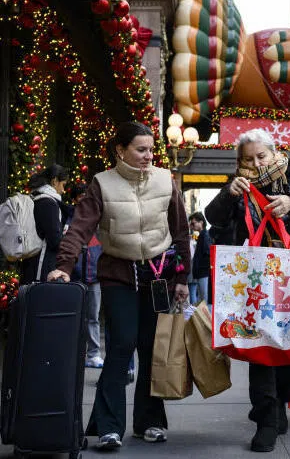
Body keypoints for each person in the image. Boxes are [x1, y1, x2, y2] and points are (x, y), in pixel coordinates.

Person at [48, 121, 191, 450]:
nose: (148, 156)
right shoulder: (102, 184)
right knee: (121, 346)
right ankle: (109, 427)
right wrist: (64, 267)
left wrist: (183, 278)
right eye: (141, 150)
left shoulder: (165, 181)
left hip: (158, 277)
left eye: (151, 149)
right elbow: (79, 228)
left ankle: (149, 422)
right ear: (120, 150)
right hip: (118, 276)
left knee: (152, 349)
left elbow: (180, 232)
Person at [205, 128, 290, 453]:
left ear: (274, 152)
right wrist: (229, 193)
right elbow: (213, 217)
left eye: (261, 156)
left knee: (288, 350)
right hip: (253, 280)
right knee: (260, 352)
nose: (255, 163)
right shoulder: (238, 185)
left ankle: (280, 401)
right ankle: (266, 420)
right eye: (248, 159)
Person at [67, 183, 104, 368]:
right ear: (75, 199)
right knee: (75, 317)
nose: (85, 200)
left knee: (93, 317)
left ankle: (93, 353)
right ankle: (75, 353)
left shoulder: (99, 217)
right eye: (81, 196)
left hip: (94, 275)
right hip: (75, 276)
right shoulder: (70, 218)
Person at [21, 163, 69, 284]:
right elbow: (54, 240)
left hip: (30, 264)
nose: (63, 191)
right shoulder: (49, 203)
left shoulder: (35, 198)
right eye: (63, 185)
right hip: (42, 268)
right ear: (54, 181)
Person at [188, 212, 211, 305]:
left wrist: (199, 268)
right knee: (201, 300)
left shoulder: (204, 235)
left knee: (203, 301)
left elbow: (207, 254)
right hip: (201, 273)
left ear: (201, 222)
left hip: (203, 273)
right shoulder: (202, 235)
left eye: (193, 223)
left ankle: (204, 319)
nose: (192, 226)